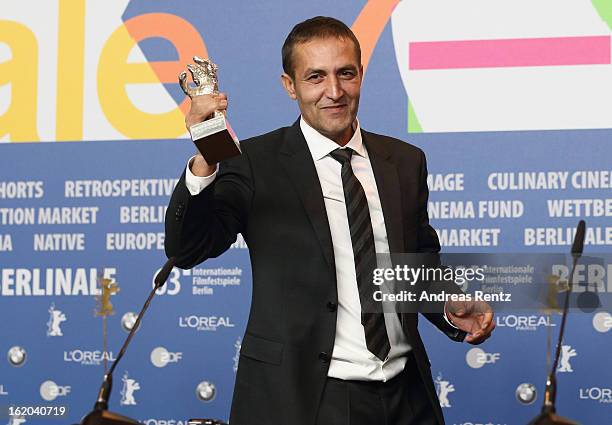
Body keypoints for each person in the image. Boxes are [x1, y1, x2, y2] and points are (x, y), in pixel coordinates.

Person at [165, 16, 495, 425]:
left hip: (408, 397)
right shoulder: (253, 163)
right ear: (290, 86)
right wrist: (206, 157)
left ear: (361, 74)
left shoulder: (406, 162)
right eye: (315, 77)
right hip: (308, 401)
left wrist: (447, 305)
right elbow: (188, 249)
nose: (334, 91)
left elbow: (417, 263)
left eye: (345, 74)